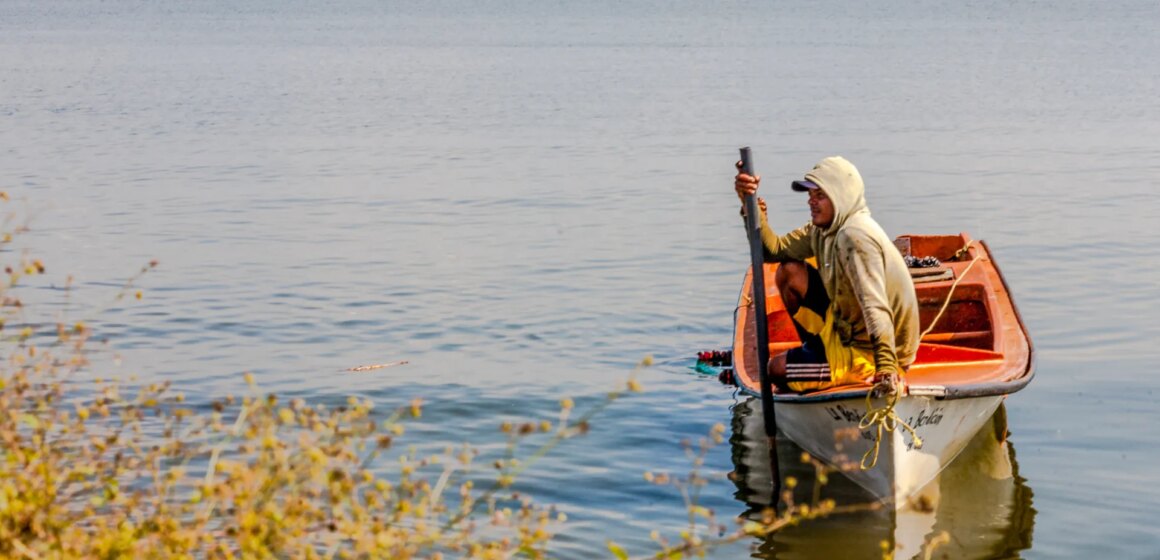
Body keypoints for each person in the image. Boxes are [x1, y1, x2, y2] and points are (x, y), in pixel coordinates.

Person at [733, 156, 919, 393]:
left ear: (840, 197)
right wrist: (751, 206)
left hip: (871, 353)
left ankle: (839, 368)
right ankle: (816, 352)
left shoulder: (855, 236)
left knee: (775, 370)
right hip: (845, 330)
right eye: (810, 195)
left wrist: (886, 368)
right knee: (789, 270)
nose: (811, 202)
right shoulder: (823, 230)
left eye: (820, 196)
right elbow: (772, 252)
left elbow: (875, 305)